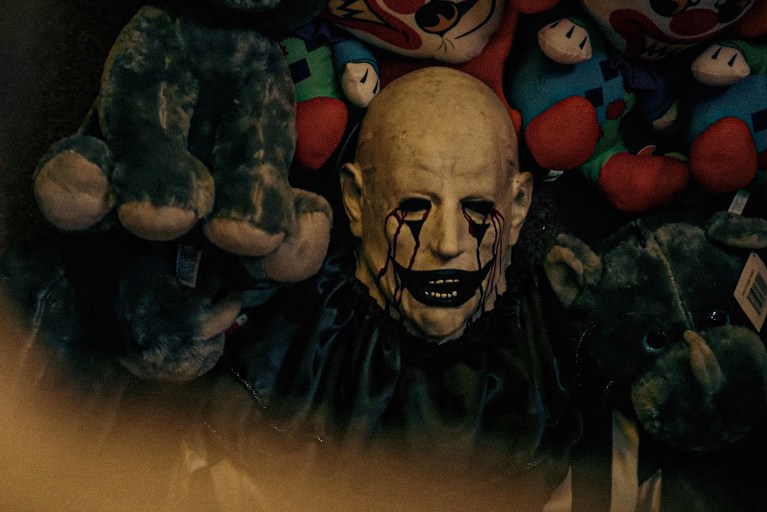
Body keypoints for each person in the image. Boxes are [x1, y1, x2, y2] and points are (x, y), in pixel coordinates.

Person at [161, 66, 581, 511]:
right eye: (415, 205)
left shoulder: (545, 349)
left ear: (517, 206)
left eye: (477, 207)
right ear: (356, 200)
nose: (448, 243)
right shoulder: (305, 346)